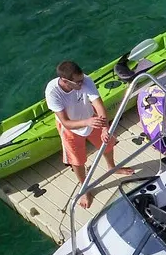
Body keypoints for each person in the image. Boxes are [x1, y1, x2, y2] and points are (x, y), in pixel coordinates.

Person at [45, 60, 134, 208]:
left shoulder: (85, 80)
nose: (82, 83)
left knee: (108, 142)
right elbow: (66, 122)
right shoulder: (52, 92)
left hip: (90, 118)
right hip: (71, 128)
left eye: (82, 79)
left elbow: (98, 105)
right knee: (77, 161)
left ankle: (112, 167)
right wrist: (87, 122)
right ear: (65, 81)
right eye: (78, 82)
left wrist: (105, 128)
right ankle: (84, 188)